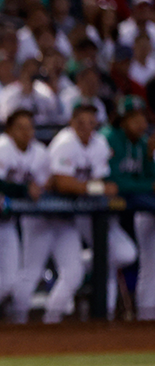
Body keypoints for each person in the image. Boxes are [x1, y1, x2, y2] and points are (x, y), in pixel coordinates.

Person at [40, 103, 137, 321]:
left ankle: (105, 318)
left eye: (91, 123)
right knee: (47, 271)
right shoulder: (64, 143)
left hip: (83, 212)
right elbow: (63, 184)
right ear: (71, 122)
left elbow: (102, 180)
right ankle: (50, 321)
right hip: (55, 215)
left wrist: (91, 187)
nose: (86, 127)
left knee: (121, 255)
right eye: (81, 122)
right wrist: (95, 188)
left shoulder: (99, 142)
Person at [0, 109, 46, 322]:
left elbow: (46, 182)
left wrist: (38, 188)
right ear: (9, 130)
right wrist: (24, 190)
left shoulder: (38, 151)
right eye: (21, 127)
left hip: (8, 221)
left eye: (30, 127)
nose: (26, 132)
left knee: (9, 279)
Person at [101, 96, 155, 319]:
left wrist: (150, 157)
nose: (141, 124)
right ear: (122, 120)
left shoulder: (142, 143)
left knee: (146, 262)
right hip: (100, 211)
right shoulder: (109, 139)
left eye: (143, 118)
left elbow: (147, 181)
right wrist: (145, 185)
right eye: (134, 119)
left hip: (128, 211)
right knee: (124, 256)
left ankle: (146, 315)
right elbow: (114, 181)